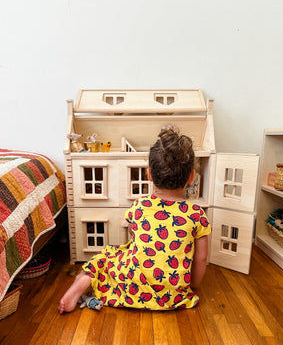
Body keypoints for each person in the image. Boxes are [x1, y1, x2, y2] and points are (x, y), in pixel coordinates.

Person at [58, 126, 211, 313]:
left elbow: (134, 236)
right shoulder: (197, 214)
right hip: (174, 296)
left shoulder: (139, 206)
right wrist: (193, 285)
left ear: (149, 175)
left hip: (133, 286)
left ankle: (83, 280)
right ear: (191, 177)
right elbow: (200, 259)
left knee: (107, 255)